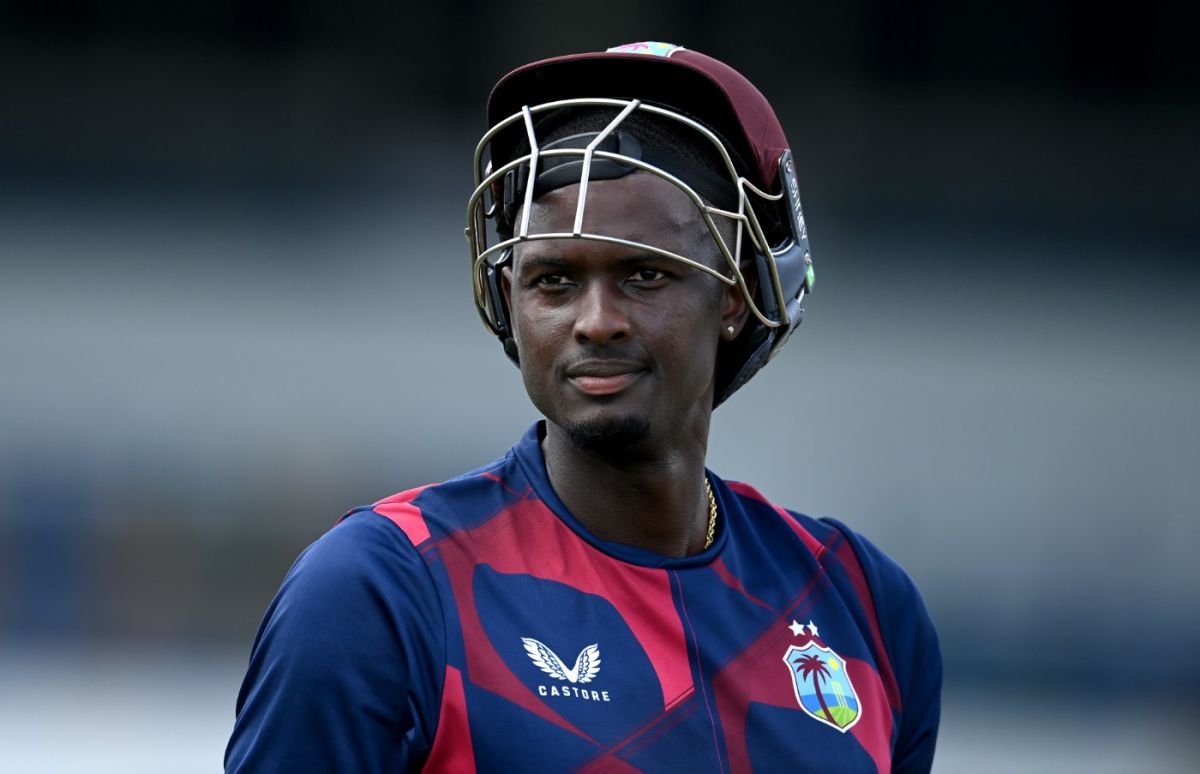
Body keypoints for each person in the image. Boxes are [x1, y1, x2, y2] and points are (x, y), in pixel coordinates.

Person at [226, 41, 941, 773]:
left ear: (731, 294)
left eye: (644, 274)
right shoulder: (382, 590)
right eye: (554, 280)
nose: (595, 320)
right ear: (509, 301)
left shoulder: (862, 605)